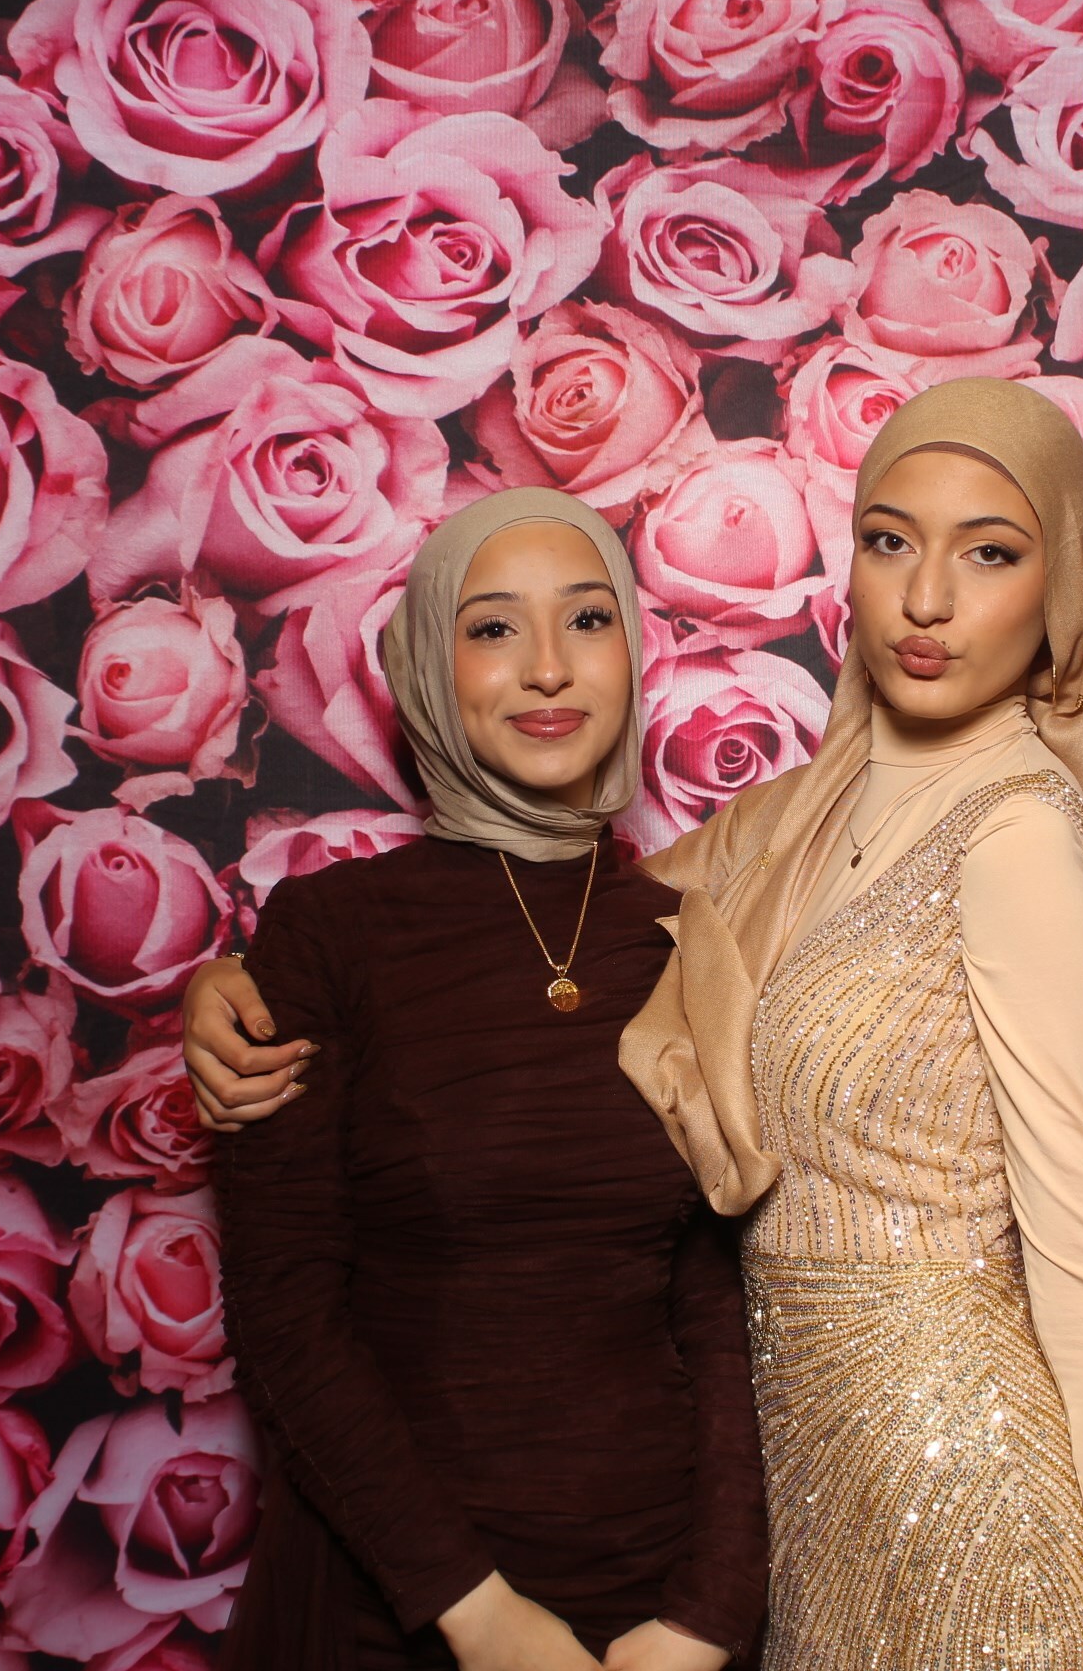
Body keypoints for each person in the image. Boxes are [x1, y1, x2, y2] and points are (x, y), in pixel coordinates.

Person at [191, 382, 1083, 1669]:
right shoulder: (787, 826)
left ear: (1060, 589)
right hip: (803, 1519)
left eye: (991, 553)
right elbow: (560, 919)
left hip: (954, 1492)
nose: (928, 598)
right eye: (890, 541)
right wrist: (232, 982)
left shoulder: (1015, 839)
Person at [210, 489, 765, 1671]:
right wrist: (475, 1612)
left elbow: (714, 1298)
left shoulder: (683, 932)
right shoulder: (328, 933)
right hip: (396, 1598)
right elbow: (284, 1313)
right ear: (427, 666)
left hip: (652, 1606)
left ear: (635, 652)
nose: (549, 669)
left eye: (588, 621)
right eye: (495, 628)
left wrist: (710, 1614)